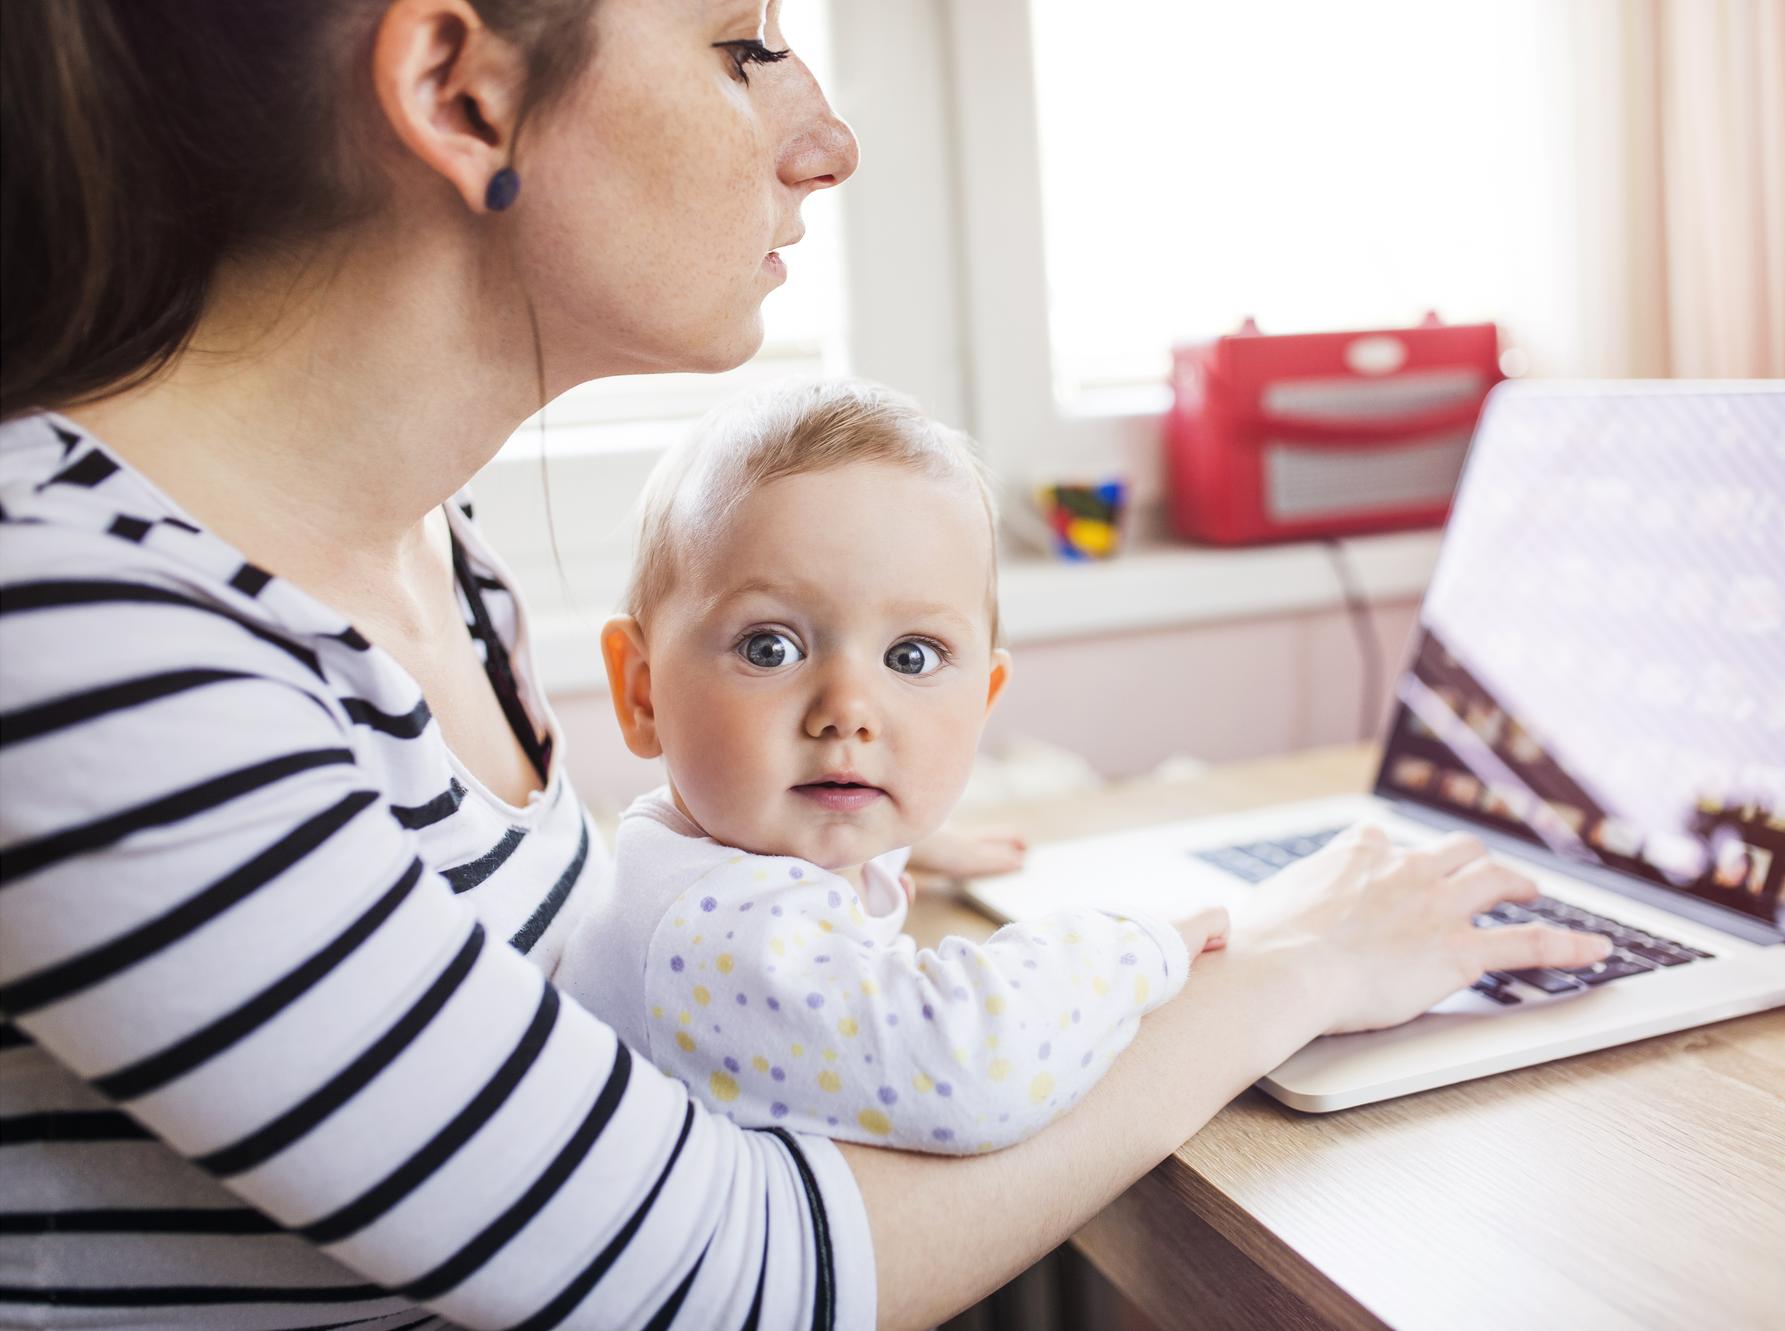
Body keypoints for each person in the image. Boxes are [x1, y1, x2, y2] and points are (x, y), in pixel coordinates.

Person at [0, 2, 1611, 1328]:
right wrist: (1285, 965)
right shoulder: (76, 631)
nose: (825, 139)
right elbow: (734, 1283)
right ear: (461, 91)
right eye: (743, 43)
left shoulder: (426, 548)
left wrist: (816, 840)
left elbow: (505, 993)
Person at [555, 378, 1230, 1153]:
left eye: (911, 655)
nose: (848, 709)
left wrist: (899, 840)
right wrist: (1136, 946)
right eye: (768, 647)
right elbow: (972, 1068)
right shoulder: (714, 936)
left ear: (984, 696)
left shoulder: (707, 850)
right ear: (643, 692)